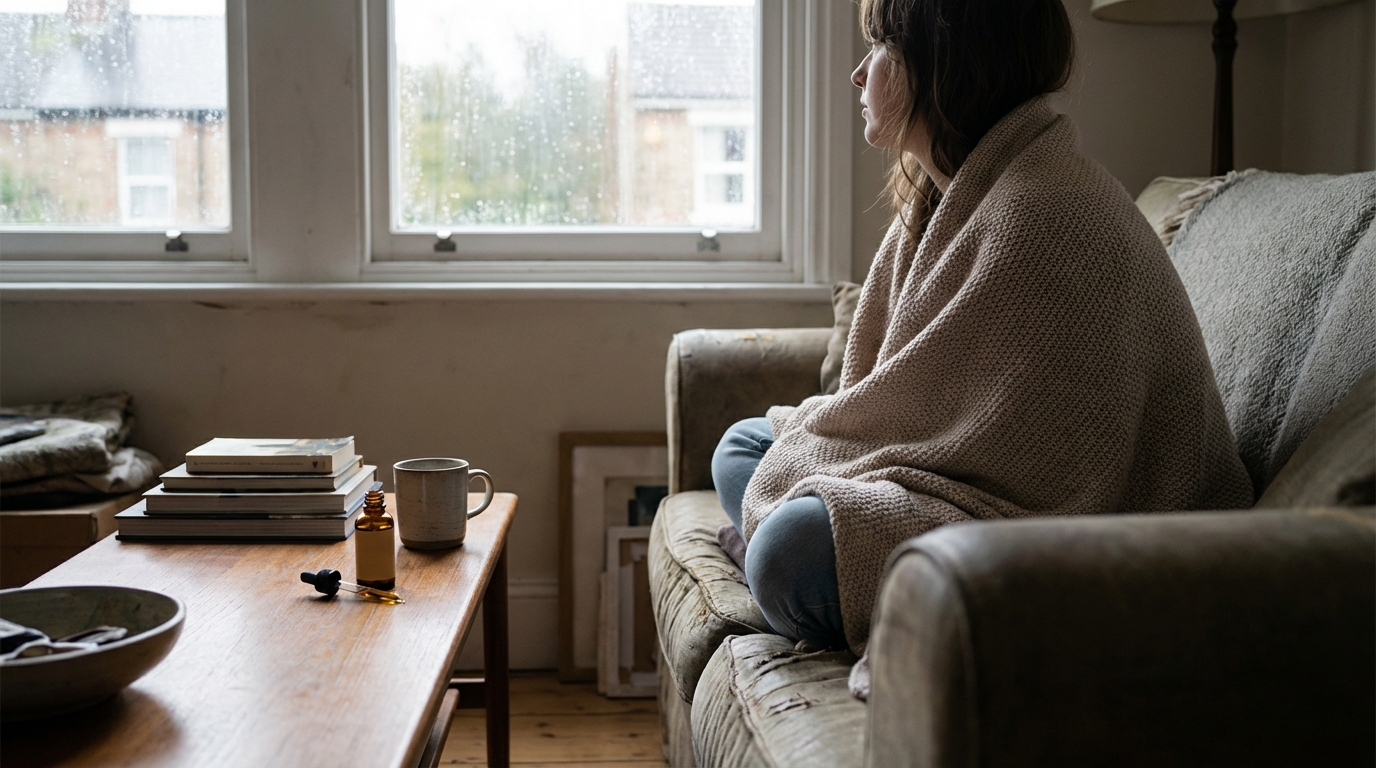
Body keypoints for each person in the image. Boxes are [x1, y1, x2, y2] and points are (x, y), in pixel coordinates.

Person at [711, 0, 1254, 668]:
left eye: (881, 46)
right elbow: (931, 406)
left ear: (945, 67)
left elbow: (1040, 464)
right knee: (741, 447)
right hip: (954, 478)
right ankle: (778, 551)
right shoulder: (944, 194)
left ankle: (768, 561)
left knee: (788, 552)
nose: (858, 74)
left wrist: (829, 488)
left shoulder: (1045, 209)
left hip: (1050, 525)